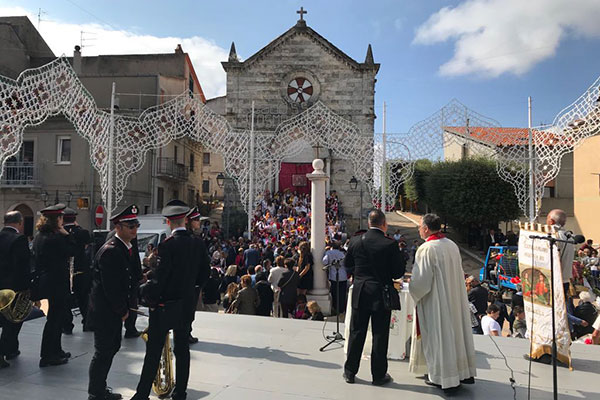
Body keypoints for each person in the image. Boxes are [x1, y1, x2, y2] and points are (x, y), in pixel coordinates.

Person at [132, 201, 210, 400]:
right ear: (185, 219)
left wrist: (144, 293)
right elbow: (204, 274)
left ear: (168, 221)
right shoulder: (198, 243)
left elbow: (161, 278)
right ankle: (180, 392)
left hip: (164, 306)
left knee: (153, 352)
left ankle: (141, 394)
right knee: (182, 350)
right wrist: (191, 291)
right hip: (186, 305)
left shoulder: (167, 245)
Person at [409, 213, 476, 393]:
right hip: (454, 298)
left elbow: (421, 282)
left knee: (439, 336)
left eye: (419, 226)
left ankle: (442, 377)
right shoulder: (451, 244)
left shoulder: (427, 248)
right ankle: (461, 372)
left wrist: (410, 288)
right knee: (454, 336)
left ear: (425, 228)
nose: (418, 230)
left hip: (436, 300)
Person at [343, 209, 405, 386]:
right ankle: (378, 375)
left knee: (357, 332)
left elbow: (347, 265)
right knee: (380, 334)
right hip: (380, 292)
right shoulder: (389, 244)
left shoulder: (356, 241)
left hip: (361, 291)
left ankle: (350, 372)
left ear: (369, 223)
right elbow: (398, 272)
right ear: (384, 224)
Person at [87, 204, 139, 400]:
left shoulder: (125, 247)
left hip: (112, 310)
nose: (135, 230)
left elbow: (130, 277)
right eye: (130, 226)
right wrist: (122, 310)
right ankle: (96, 392)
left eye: (136, 225)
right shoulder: (111, 251)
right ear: (118, 227)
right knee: (103, 351)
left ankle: (100, 388)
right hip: (105, 310)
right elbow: (111, 287)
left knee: (111, 348)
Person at [33, 203, 74, 368]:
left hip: (48, 281)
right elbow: (74, 250)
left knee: (56, 318)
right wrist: (67, 234)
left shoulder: (39, 236)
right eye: (61, 218)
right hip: (57, 282)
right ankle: (48, 355)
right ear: (56, 219)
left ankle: (56, 350)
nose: (62, 221)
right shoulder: (56, 238)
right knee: (54, 319)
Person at [0, 211, 32, 368]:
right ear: (20, 223)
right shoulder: (19, 239)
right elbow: (22, 267)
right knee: (12, 322)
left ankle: (11, 349)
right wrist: (27, 288)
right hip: (13, 289)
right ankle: (4, 352)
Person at [62, 207, 92, 333]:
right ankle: (87, 323)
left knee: (65, 301)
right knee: (84, 299)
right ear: (75, 218)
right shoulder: (82, 232)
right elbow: (88, 248)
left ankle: (67, 325)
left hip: (64, 271)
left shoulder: (60, 232)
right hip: (81, 270)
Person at [185, 206, 211, 344]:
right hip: (192, 283)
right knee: (188, 310)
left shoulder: (194, 238)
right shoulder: (195, 241)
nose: (198, 222)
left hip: (189, 282)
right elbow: (204, 265)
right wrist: (200, 283)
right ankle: (186, 333)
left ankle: (185, 332)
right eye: (196, 220)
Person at [546, 209, 575, 298]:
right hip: (564, 279)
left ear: (551, 221)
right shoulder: (569, 237)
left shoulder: (554, 236)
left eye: (547, 219)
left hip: (554, 279)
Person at [322, 241, 347, 315]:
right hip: (343, 276)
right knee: (342, 294)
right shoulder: (342, 254)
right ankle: (341, 309)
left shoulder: (329, 253)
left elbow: (324, 261)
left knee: (334, 293)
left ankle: (335, 308)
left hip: (333, 276)